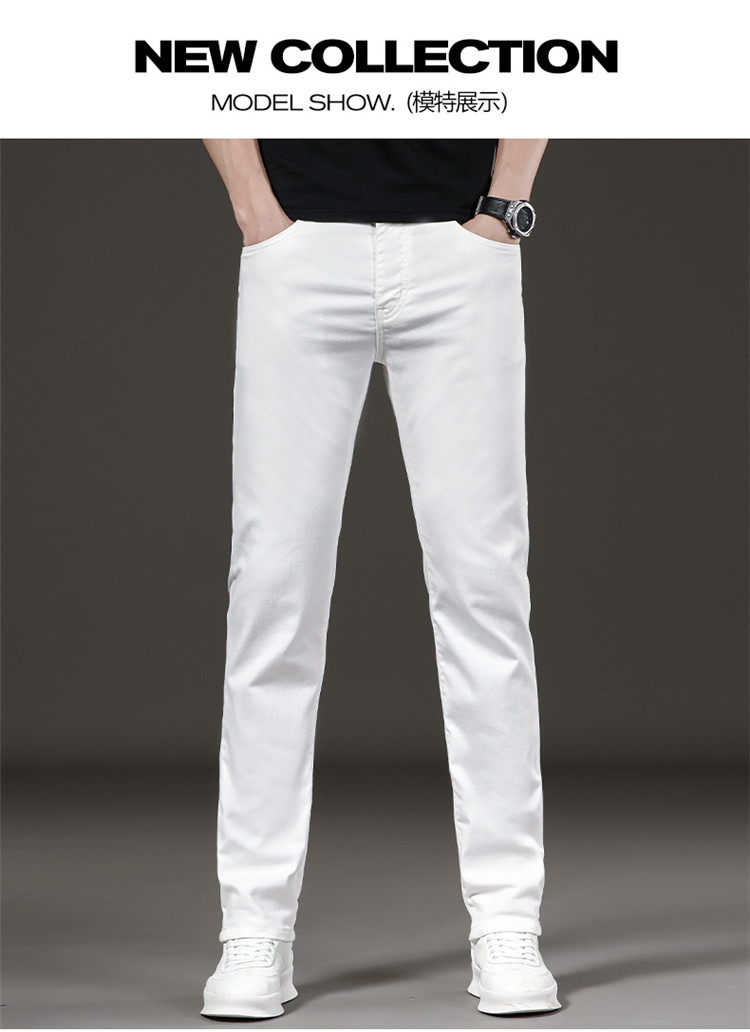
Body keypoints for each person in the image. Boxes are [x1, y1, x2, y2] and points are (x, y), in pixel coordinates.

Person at [199, 138, 560, 1019]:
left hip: (460, 247)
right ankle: (254, 929)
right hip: (298, 245)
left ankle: (508, 921)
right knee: (272, 593)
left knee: (486, 591)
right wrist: (253, 206)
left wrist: (504, 206)